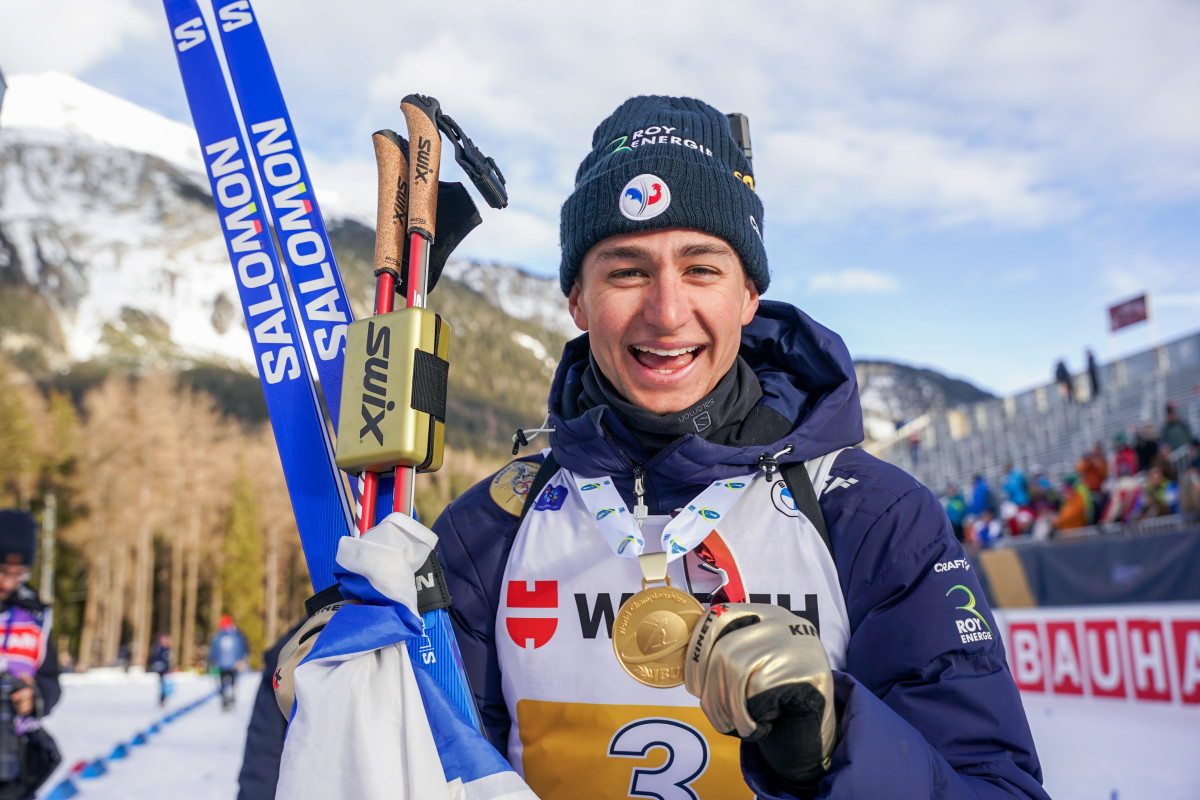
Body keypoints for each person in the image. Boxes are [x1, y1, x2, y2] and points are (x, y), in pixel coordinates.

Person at [422, 97, 1047, 798]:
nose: (666, 311)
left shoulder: (874, 518)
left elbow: (996, 787)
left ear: (748, 293)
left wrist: (839, 740)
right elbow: (422, 770)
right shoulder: (488, 533)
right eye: (626, 271)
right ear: (576, 301)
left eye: (701, 268)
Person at [0, 510, 61, 800]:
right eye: (1, 570)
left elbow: (51, 679)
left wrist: (36, 696)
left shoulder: (35, 616)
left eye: (18, 573)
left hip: (15, 762)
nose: (8, 582)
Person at [209, 614, 247, 711]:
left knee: (223, 683)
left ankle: (226, 701)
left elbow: (214, 650)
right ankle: (231, 700)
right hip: (234, 664)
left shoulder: (218, 636)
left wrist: (213, 660)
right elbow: (241, 648)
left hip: (222, 664)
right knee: (233, 683)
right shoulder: (237, 635)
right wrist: (240, 659)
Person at [148, 632, 172, 707]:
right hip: (160, 670)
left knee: (164, 685)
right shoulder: (157, 648)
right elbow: (154, 658)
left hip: (165, 670)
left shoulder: (165, 648)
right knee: (162, 685)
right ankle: (162, 699)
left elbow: (167, 661)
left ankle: (163, 699)